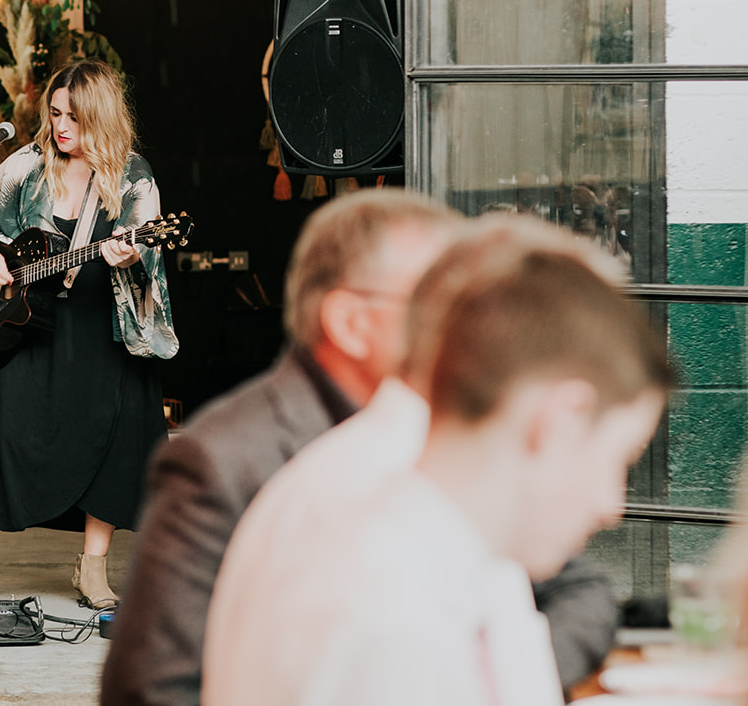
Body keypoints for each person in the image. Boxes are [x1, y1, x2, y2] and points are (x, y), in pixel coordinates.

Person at [201, 216, 670, 706]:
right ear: (559, 419)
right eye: (617, 459)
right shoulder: (394, 611)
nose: (611, 506)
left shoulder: (427, 529)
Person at [101, 189, 464, 706]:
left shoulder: (450, 428)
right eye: (440, 302)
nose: (466, 326)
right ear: (350, 322)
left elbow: (573, 592)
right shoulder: (221, 459)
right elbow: (152, 688)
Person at [0, 58, 177, 607]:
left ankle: (92, 570)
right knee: (8, 436)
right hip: (35, 325)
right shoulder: (28, 162)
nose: (60, 127)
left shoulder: (133, 174)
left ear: (102, 117)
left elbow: (145, 256)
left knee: (114, 441)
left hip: (103, 328)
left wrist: (126, 255)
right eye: (54, 114)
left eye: (73, 117)